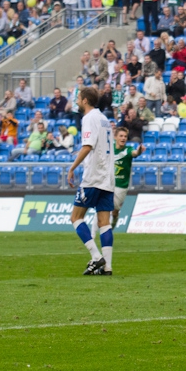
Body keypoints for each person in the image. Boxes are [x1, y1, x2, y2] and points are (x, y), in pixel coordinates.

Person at [67, 87, 116, 276]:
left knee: (76, 217)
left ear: (86, 100)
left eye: (78, 99)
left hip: (93, 175)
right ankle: (108, 267)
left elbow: (88, 146)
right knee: (104, 221)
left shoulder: (88, 118)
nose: (77, 102)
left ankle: (96, 257)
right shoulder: (104, 119)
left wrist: (73, 167)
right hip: (107, 176)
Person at [111, 127, 144, 229]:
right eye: (121, 136)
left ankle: (115, 217)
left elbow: (135, 153)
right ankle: (97, 234)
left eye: (125, 136)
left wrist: (139, 151)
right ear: (115, 137)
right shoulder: (110, 148)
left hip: (121, 186)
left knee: (114, 210)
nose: (123, 138)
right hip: (108, 183)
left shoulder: (128, 150)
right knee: (103, 207)